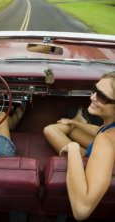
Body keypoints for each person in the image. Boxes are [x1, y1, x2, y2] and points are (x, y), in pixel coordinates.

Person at [43, 71, 115, 220]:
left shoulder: (105, 141)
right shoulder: (109, 129)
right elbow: (100, 130)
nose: (92, 97)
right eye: (95, 89)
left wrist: (73, 148)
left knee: (51, 130)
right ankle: (78, 120)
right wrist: (74, 122)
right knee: (55, 129)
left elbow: (82, 210)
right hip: (94, 152)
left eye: (101, 96)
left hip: (89, 157)